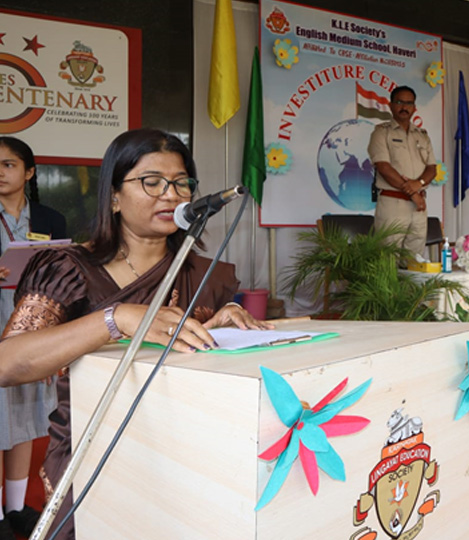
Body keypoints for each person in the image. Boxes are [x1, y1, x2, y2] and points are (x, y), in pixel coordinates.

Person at [0, 128, 272, 539]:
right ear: (113, 196)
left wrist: (217, 332)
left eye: (182, 183)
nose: (171, 194)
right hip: (89, 457)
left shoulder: (204, 275)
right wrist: (115, 319)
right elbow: (9, 363)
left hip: (184, 460)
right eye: (151, 181)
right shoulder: (68, 269)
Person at [0, 137, 67, 539]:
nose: (0, 172)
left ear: (29, 172)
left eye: (8, 164)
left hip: (31, 321)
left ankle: (15, 509)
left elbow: (62, 269)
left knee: (24, 416)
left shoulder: (50, 218)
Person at [367, 86, 437, 258]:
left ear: (414, 108)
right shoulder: (381, 132)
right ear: (390, 105)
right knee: (387, 260)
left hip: (419, 207)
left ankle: (411, 287)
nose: (404, 107)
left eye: (409, 103)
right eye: (399, 102)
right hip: (393, 204)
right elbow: (383, 167)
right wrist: (412, 192)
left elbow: (432, 168)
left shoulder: (422, 135)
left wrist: (418, 185)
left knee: (414, 260)